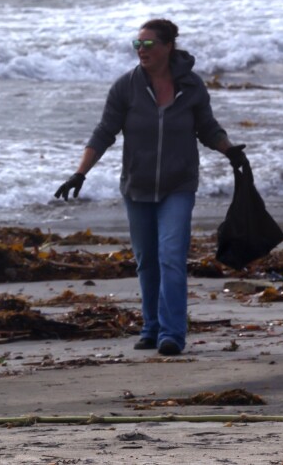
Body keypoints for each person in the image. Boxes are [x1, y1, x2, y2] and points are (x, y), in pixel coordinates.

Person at [53, 19, 248, 357]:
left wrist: (229, 150)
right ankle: (151, 326)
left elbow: (207, 128)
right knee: (147, 262)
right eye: (137, 44)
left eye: (148, 44)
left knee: (171, 257)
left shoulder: (191, 86)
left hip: (179, 185)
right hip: (137, 187)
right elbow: (104, 132)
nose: (140, 50)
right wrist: (79, 173)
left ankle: (172, 334)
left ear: (168, 46)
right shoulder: (125, 87)